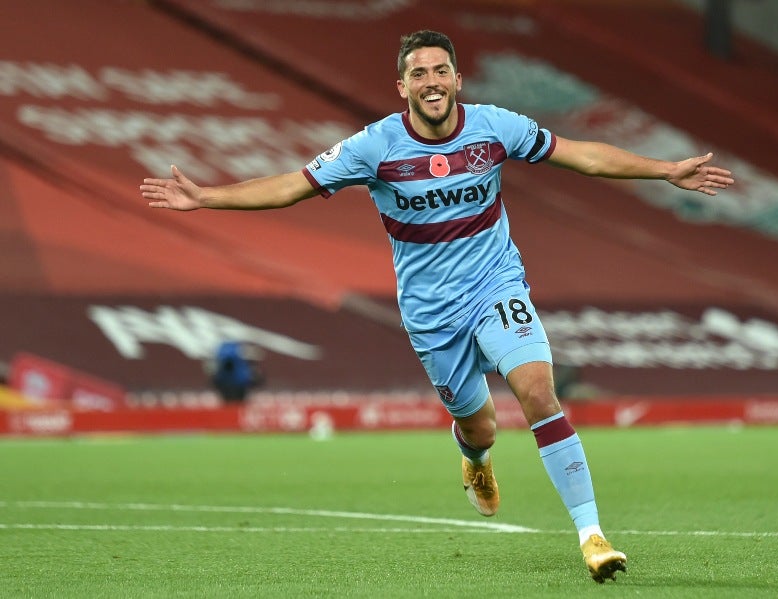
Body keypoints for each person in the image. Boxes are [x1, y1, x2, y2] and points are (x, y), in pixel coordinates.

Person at [141, 29, 734, 583]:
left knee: (537, 392)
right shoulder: (375, 146)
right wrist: (207, 198)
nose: (431, 81)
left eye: (441, 70)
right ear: (402, 87)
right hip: (430, 314)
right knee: (480, 425)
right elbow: (292, 186)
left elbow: (581, 154)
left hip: (497, 286)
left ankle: (593, 535)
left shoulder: (495, 127)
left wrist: (665, 172)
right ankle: (472, 454)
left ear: (457, 80)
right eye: (418, 72)